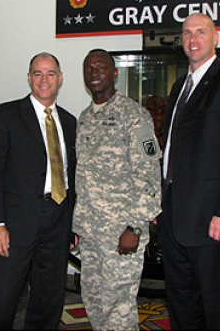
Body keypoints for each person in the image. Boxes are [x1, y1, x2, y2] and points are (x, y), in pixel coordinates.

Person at [159, 13, 220, 329]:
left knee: (219, 310)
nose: (192, 38)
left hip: (214, 222)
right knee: (182, 306)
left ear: (215, 37)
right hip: (175, 218)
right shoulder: (178, 87)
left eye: (200, 31)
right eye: (187, 33)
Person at [0, 52, 77, 330]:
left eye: (50, 73)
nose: (44, 80)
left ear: (60, 78)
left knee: (49, 296)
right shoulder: (5, 114)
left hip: (58, 218)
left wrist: (72, 223)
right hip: (16, 223)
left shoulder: (69, 122)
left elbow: (73, 175)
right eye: (37, 73)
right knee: (5, 297)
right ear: (29, 78)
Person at [73, 49, 162, 330]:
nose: (95, 74)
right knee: (94, 304)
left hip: (120, 235)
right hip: (90, 234)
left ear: (114, 73)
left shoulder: (134, 116)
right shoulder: (85, 117)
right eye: (89, 69)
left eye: (101, 68)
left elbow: (150, 177)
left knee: (119, 310)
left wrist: (135, 227)